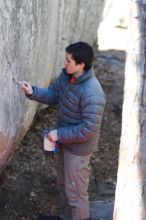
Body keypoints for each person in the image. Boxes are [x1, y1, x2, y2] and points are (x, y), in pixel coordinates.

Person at [20, 42, 106, 220]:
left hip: (78, 149)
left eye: (69, 60)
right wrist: (32, 91)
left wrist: (59, 134)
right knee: (63, 185)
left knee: (76, 193)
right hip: (65, 141)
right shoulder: (67, 76)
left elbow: (89, 129)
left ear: (81, 64)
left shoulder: (93, 92)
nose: (65, 63)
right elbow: (53, 95)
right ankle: (65, 217)